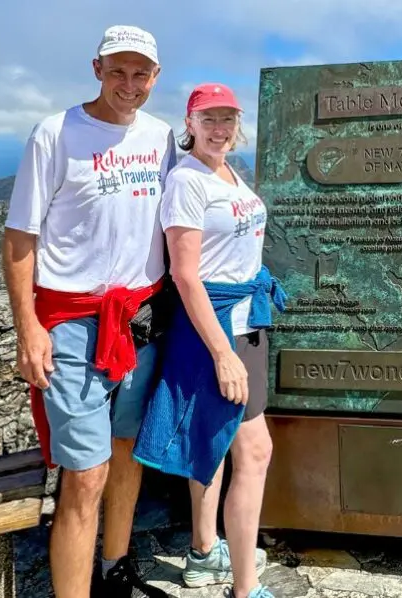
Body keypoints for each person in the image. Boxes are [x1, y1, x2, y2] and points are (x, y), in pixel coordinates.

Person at [1, 25, 175, 598]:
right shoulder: (55, 133)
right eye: (118, 71)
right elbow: (20, 237)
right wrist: (29, 328)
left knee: (126, 450)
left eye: (141, 73)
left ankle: (116, 569)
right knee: (86, 473)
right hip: (71, 324)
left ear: (156, 77)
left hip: (140, 322)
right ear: (97, 68)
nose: (129, 84)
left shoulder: (162, 136)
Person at [132, 83, 286, 598]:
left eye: (228, 119)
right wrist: (223, 353)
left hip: (244, 321)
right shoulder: (188, 181)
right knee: (255, 451)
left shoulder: (227, 173)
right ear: (190, 123)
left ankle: (203, 552)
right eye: (209, 119)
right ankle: (245, 588)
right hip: (217, 331)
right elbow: (187, 274)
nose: (220, 129)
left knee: (213, 443)